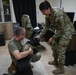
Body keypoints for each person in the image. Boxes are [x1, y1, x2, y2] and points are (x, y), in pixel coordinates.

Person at [36, 1, 74, 74]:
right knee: (54, 45)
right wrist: (39, 35)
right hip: (60, 30)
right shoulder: (48, 15)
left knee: (61, 48)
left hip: (67, 31)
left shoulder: (58, 14)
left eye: (43, 11)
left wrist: (53, 37)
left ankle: (61, 69)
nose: (42, 13)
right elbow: (46, 27)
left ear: (48, 9)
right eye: (42, 11)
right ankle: (55, 61)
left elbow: (62, 29)